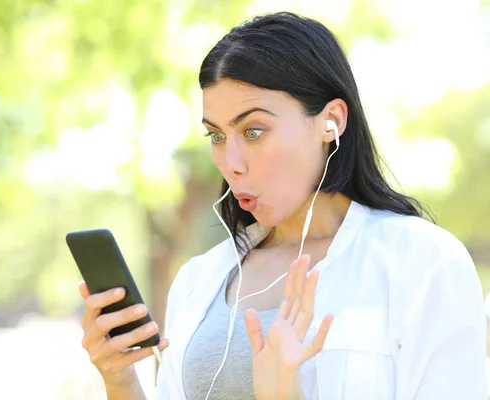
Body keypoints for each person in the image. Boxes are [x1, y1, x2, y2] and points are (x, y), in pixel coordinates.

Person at [78, 11, 488, 400]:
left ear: (332, 122)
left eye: (253, 131)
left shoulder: (421, 262)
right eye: (217, 136)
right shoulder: (198, 280)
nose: (231, 163)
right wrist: (121, 380)